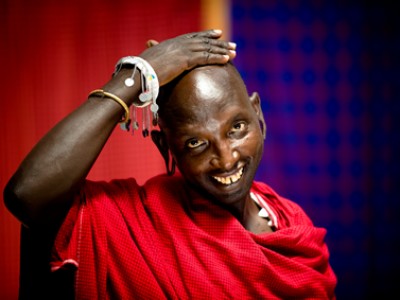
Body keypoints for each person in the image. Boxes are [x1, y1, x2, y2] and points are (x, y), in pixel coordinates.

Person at [4, 29, 337, 299]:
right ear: (167, 147)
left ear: (258, 117)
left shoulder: (291, 221)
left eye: (236, 128)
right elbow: (27, 194)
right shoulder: (134, 220)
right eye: (196, 143)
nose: (226, 157)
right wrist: (135, 76)